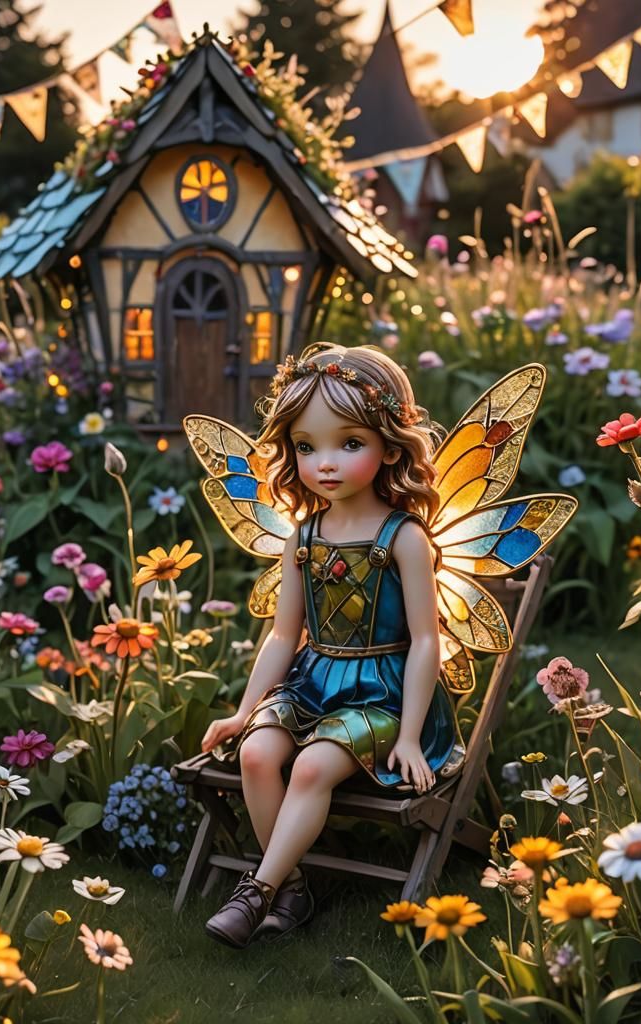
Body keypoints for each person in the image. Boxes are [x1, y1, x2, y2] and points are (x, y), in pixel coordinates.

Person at [198, 343, 460, 949]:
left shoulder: (405, 537)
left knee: (313, 764)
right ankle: (291, 888)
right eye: (306, 447)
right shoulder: (304, 536)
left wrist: (413, 735)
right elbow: (285, 635)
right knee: (258, 754)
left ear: (390, 446)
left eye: (349, 443)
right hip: (314, 682)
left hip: (384, 694)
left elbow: (426, 641)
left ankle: (256, 890)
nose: (326, 463)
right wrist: (244, 710)